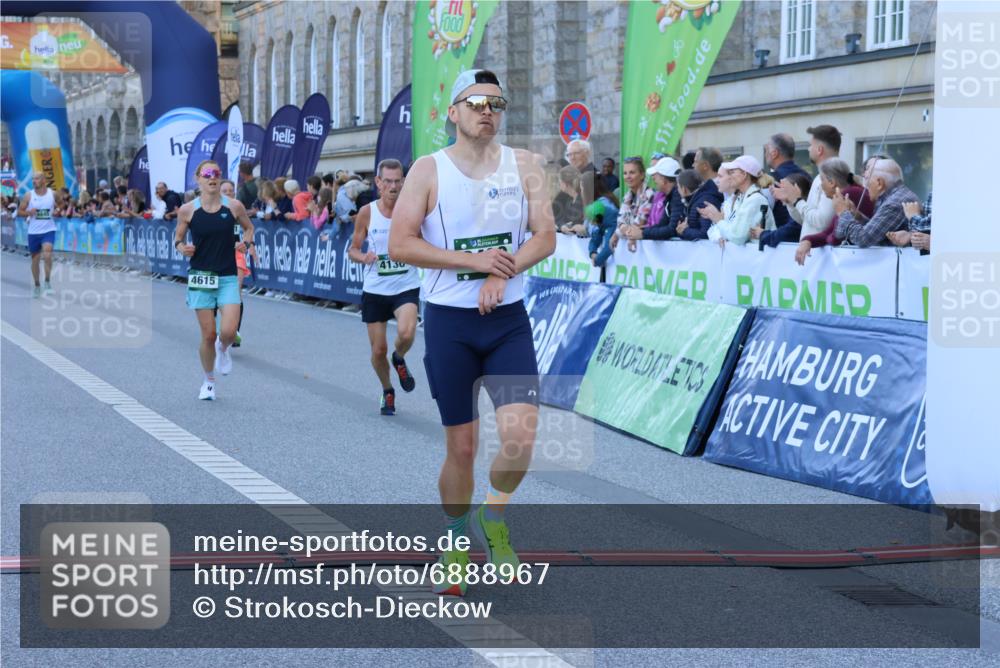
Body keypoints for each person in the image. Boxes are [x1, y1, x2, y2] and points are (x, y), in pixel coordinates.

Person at [389, 69, 555, 596]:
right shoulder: (427, 169)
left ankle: (494, 515)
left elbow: (545, 237)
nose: (487, 110)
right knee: (462, 448)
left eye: (496, 103)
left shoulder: (525, 165)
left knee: (520, 439)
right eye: (476, 101)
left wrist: (500, 273)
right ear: (453, 112)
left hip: (507, 320)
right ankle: (456, 542)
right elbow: (400, 243)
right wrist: (475, 262)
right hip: (450, 322)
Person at [173, 160, 254, 400]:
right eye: (207, 173)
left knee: (228, 331)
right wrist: (182, 248)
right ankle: (208, 381)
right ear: (198, 178)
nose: (212, 177)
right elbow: (177, 238)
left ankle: (223, 347)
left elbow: (249, 228)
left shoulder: (234, 206)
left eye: (216, 173)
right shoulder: (187, 210)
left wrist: (246, 243)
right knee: (208, 335)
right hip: (201, 277)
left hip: (227, 276)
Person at [346, 159, 422, 416]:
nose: (393, 186)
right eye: (387, 181)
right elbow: (353, 250)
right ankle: (388, 389)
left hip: (405, 284)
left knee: (407, 333)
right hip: (376, 288)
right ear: (378, 182)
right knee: (378, 350)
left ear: (403, 182)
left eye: (397, 181)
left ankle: (399, 357)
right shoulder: (367, 212)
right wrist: (363, 257)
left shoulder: (412, 211)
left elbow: (426, 241)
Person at [794, 158, 871, 264]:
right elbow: (829, 232)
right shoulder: (848, 192)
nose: (821, 186)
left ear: (831, 182)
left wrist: (814, 240)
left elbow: (835, 238)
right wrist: (808, 240)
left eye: (822, 180)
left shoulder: (849, 194)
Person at [834, 158, 917, 248]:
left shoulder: (894, 203)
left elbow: (863, 239)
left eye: (867, 180)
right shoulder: (893, 197)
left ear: (879, 183)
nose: (865, 186)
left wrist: (843, 213)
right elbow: (877, 233)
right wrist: (859, 217)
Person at [774, 124, 840, 237]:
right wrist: (791, 202)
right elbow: (806, 221)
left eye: (810, 145)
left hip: (820, 247)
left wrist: (797, 201)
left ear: (819, 150)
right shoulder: (819, 177)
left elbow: (822, 222)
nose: (808, 149)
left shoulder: (833, 176)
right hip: (811, 247)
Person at [699, 155, 775, 246]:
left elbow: (737, 237)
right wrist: (719, 227)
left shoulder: (755, 199)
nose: (729, 176)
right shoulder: (742, 198)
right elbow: (733, 231)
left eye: (732, 172)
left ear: (744, 175)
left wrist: (718, 219)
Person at [624, 156, 683, 241]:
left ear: (664, 179)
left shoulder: (677, 196)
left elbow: (672, 230)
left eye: (656, 175)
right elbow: (662, 224)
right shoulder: (671, 196)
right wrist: (641, 230)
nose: (653, 178)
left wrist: (642, 233)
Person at [18, 172, 57, 297]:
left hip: (48, 230)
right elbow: (20, 212)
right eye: (33, 179)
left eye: (37, 179)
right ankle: (37, 285)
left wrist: (58, 210)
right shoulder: (29, 195)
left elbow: (62, 203)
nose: (34, 181)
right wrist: (29, 212)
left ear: (43, 180)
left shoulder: (53, 194)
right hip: (34, 232)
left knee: (47, 253)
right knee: (35, 260)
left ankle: (47, 281)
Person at [763, 133, 808, 232]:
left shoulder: (773, 179)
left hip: (782, 237)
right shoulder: (806, 175)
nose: (765, 154)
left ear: (774, 153)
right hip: (805, 234)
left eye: (766, 150)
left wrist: (765, 236)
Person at [610, 156, 654, 252]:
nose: (628, 177)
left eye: (632, 172)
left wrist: (621, 232)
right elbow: (620, 221)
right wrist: (617, 233)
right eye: (625, 173)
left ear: (642, 175)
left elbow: (640, 221)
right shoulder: (627, 196)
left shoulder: (649, 194)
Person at [756, 172, 813, 248]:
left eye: (784, 189)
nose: (779, 192)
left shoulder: (804, 212)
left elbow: (785, 232)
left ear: (797, 190)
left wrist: (762, 234)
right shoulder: (792, 208)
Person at [674, 168, 724, 240]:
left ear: (684, 189)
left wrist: (684, 231)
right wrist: (682, 231)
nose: (677, 190)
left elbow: (706, 234)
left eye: (678, 187)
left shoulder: (703, 202)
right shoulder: (695, 200)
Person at [587, 175, 620, 267]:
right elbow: (596, 233)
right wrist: (592, 252)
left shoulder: (612, 222)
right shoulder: (600, 204)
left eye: (582, 189)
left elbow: (610, 246)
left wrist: (597, 260)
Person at [552, 165, 584, 235]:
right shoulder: (569, 198)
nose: (559, 184)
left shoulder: (583, 199)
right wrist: (562, 226)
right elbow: (563, 219)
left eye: (560, 181)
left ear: (565, 184)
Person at [565, 139, 598, 205]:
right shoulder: (574, 175)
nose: (572, 158)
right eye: (569, 154)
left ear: (587, 153)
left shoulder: (592, 176)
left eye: (576, 153)